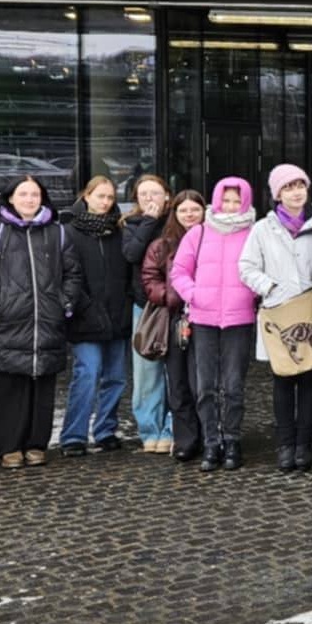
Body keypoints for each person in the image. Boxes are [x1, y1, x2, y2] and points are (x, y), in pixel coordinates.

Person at [0, 176, 84, 470]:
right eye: (23, 194)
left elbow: (73, 274)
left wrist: (64, 303)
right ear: (10, 198)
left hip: (46, 324)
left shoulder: (57, 232)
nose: (29, 199)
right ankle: (8, 447)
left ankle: (36, 444)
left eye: (35, 194)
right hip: (7, 325)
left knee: (41, 390)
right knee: (7, 389)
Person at [170, 177, 260, 472]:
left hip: (239, 318)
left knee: (233, 386)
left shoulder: (254, 233)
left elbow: (262, 269)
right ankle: (211, 441)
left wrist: (251, 295)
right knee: (205, 386)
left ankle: (232, 439)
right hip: (204, 318)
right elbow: (179, 271)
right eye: (226, 200)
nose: (231, 206)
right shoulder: (198, 233)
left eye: (236, 201)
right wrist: (195, 295)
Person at [240, 164, 312, 473]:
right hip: (278, 312)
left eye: (300, 185)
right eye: (288, 187)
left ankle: (305, 444)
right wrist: (270, 287)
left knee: (310, 380)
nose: (295, 192)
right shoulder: (263, 229)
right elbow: (247, 267)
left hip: (310, 311)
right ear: (277, 194)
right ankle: (285, 445)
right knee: (283, 380)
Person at [62, 176, 133, 456]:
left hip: (117, 315)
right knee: (87, 374)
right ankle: (73, 435)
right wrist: (83, 306)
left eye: (110, 197)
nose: (105, 202)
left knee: (116, 378)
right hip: (85, 316)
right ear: (86, 196)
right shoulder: (69, 232)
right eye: (100, 196)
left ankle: (105, 430)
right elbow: (67, 275)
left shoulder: (119, 231)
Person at [140, 189, 206, 462]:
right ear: (175, 213)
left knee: (203, 382)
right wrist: (169, 296)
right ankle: (185, 439)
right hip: (174, 318)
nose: (189, 215)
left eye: (195, 209)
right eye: (183, 210)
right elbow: (149, 277)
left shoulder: (213, 240)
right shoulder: (161, 245)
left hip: (207, 318)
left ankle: (210, 436)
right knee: (178, 382)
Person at [121, 174, 170, 453]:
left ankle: (173, 428)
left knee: (177, 372)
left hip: (176, 303)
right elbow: (131, 254)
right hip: (145, 305)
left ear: (167, 195)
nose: (150, 198)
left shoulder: (177, 220)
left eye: (155, 193)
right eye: (143, 194)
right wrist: (149, 221)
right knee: (146, 371)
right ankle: (150, 429)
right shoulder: (131, 224)